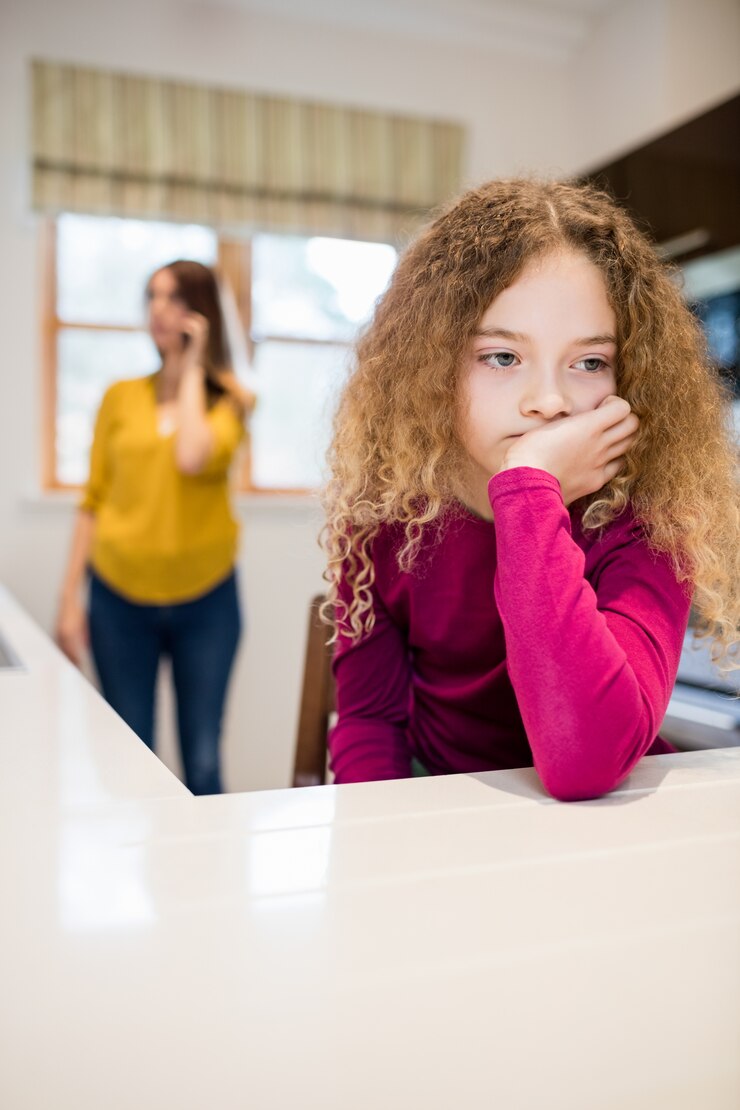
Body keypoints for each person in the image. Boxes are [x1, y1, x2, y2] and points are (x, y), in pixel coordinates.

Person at [321, 179, 740, 800]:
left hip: (607, 826)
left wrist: (527, 492)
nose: (549, 401)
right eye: (502, 357)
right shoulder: (386, 515)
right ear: (432, 366)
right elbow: (370, 724)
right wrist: (380, 840)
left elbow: (585, 762)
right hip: (446, 808)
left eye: (589, 363)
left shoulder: (649, 519)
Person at [56, 260, 255, 795]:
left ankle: (206, 856)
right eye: (151, 297)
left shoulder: (232, 400)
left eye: (174, 298)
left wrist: (191, 366)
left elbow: (191, 455)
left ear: (201, 312)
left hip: (206, 602)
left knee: (203, 761)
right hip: (118, 600)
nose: (158, 311)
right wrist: (69, 600)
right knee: (131, 763)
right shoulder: (120, 397)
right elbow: (92, 501)